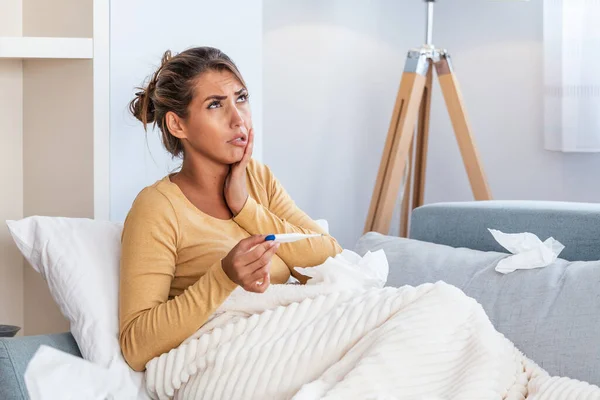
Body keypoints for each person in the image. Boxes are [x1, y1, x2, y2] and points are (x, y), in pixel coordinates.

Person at [119, 46, 343, 372]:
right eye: (215, 105)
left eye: (242, 98)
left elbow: (331, 257)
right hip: (237, 362)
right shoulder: (157, 208)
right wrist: (224, 276)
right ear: (177, 125)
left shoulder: (258, 179)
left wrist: (244, 207)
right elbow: (135, 345)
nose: (238, 118)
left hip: (298, 340)